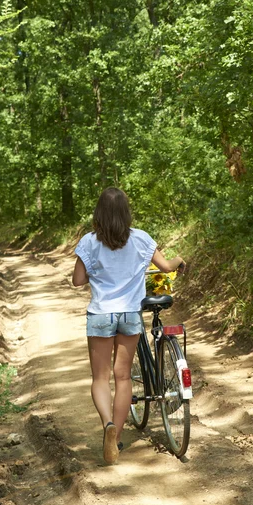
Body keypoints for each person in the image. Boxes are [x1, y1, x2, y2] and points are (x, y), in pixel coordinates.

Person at [72, 187, 185, 464]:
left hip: (100, 315)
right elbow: (167, 266)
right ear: (126, 212)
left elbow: (77, 280)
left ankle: (108, 426)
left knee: (101, 379)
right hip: (129, 316)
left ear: (99, 213)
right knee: (123, 377)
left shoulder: (88, 242)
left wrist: (97, 271)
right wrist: (178, 260)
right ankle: (117, 436)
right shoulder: (142, 239)